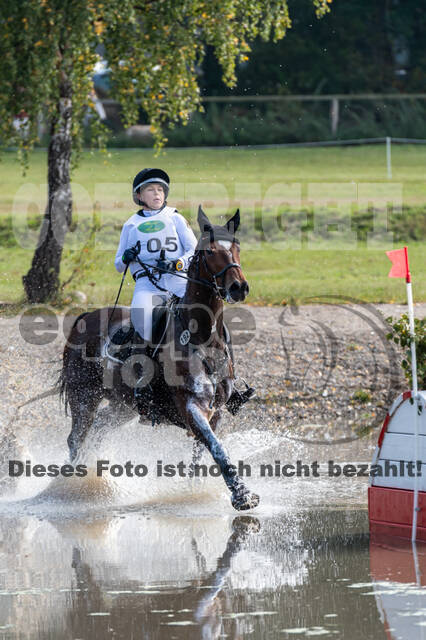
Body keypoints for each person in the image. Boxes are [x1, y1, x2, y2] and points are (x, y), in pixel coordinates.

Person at [114, 168, 197, 345]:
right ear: (139, 196)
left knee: (203, 312)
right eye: (150, 190)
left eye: (160, 189)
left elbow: (195, 252)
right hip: (147, 285)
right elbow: (118, 265)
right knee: (140, 316)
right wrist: (125, 258)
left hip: (179, 280)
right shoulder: (131, 225)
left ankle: (225, 354)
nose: (157, 194)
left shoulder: (176, 218)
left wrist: (177, 264)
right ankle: (143, 363)